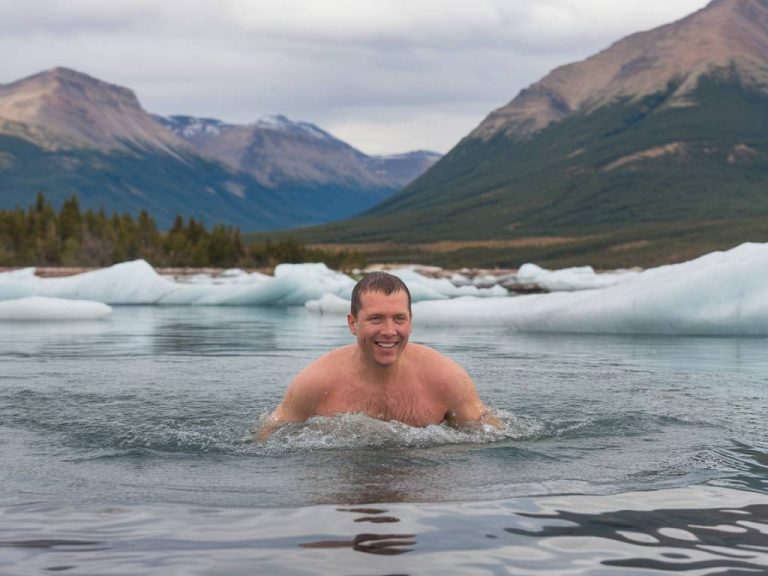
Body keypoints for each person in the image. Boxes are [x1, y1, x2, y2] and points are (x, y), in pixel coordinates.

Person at [257, 271, 500, 439]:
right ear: (353, 323)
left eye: (399, 319)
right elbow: (268, 440)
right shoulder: (315, 384)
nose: (389, 331)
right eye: (375, 318)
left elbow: (491, 438)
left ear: (411, 322)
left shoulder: (446, 379)